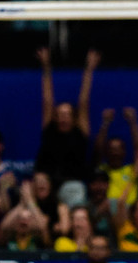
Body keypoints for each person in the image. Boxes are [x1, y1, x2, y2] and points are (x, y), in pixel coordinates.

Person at [35, 46, 98, 187]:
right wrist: (46, 67)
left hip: (73, 185)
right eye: (59, 114)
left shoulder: (80, 132)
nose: (63, 117)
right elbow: (47, 101)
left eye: (67, 114)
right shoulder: (50, 131)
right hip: (48, 184)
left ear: (74, 118)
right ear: (55, 117)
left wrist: (89, 69)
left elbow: (83, 102)